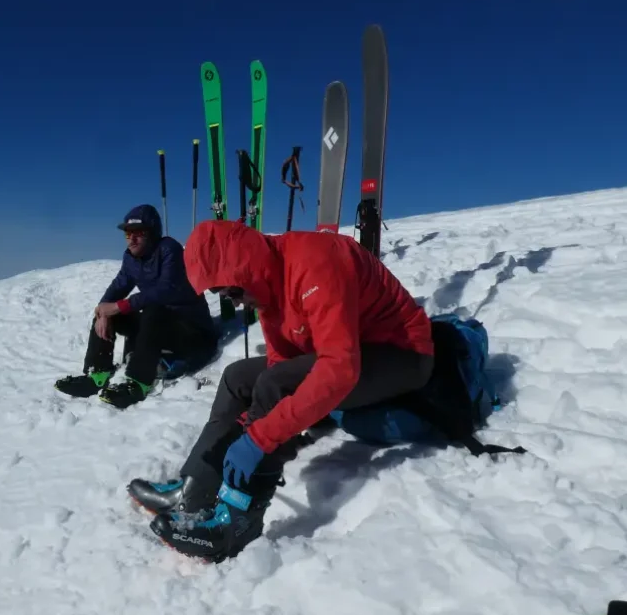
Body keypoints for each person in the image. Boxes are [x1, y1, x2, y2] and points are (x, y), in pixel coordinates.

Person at [127, 219, 436, 562]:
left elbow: (338, 368)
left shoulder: (315, 262)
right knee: (236, 377)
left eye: (231, 291)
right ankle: (194, 487)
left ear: (245, 268)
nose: (235, 301)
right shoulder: (268, 287)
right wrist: (246, 425)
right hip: (351, 352)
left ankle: (238, 520)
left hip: (402, 356)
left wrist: (260, 438)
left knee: (276, 385)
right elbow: (281, 362)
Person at [54, 204, 219, 409]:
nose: (131, 239)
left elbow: (165, 291)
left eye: (138, 233)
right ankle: (98, 373)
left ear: (152, 233)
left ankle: (139, 383)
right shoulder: (131, 258)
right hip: (160, 328)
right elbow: (119, 286)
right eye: (128, 233)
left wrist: (119, 306)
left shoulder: (169, 250)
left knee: (152, 310)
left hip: (193, 334)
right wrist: (103, 311)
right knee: (110, 313)